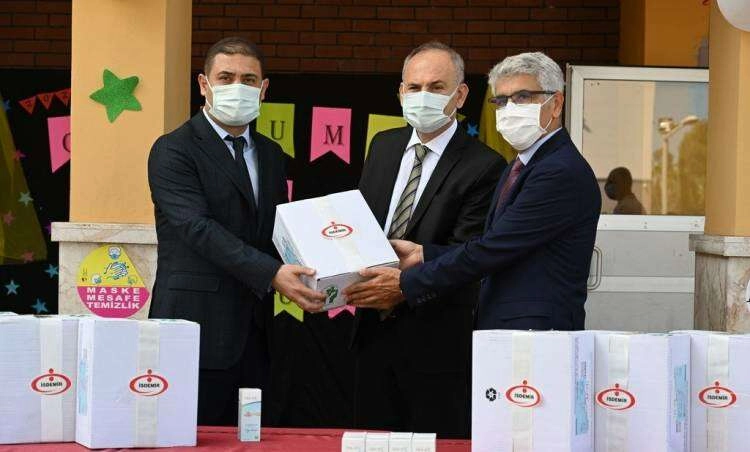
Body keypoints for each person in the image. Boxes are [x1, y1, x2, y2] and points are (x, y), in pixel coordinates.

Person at [345, 51, 601, 333]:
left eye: (523, 97)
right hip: (504, 328)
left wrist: (407, 283)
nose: (510, 109)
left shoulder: (559, 171)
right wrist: (424, 254)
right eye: (501, 100)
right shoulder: (521, 165)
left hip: (536, 332)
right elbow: (490, 244)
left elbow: (494, 249)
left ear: (556, 104)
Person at [147, 37, 325, 426]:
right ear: (203, 85)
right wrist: (272, 273)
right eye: (225, 78)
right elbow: (197, 228)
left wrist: (326, 272)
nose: (237, 87)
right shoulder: (173, 149)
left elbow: (277, 230)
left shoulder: (270, 153)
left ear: (263, 89)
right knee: (190, 439)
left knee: (251, 438)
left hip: (257, 334)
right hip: (195, 329)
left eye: (248, 80)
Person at [352, 42, 505, 438]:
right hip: (371, 333)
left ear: (461, 94)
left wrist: (406, 282)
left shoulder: (485, 165)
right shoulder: (383, 146)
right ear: (400, 92)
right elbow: (363, 226)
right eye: (414, 87)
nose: (423, 96)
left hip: (436, 342)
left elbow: (470, 256)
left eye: (437, 87)